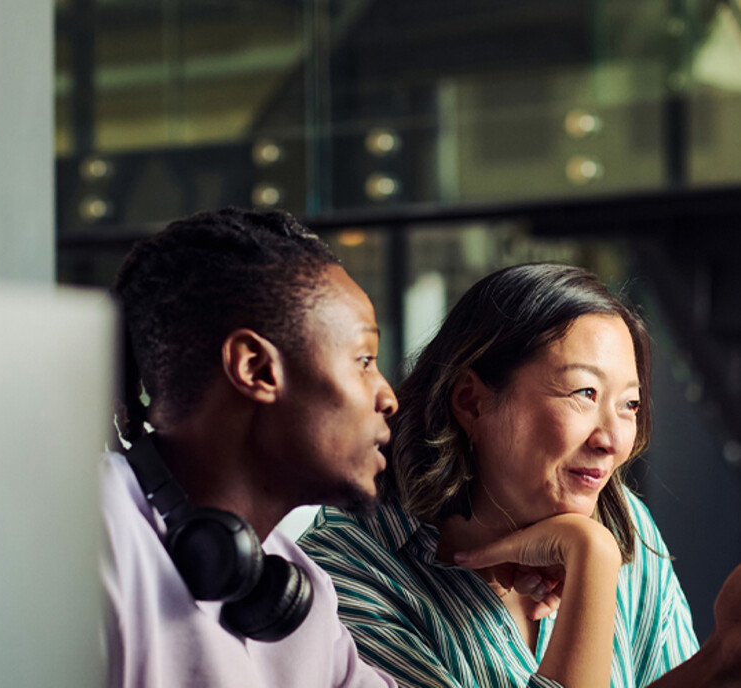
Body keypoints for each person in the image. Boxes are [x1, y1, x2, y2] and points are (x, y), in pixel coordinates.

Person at [298, 263, 741, 688]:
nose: (611, 440)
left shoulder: (623, 522)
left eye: (629, 405)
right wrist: (592, 560)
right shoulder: (339, 578)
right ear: (471, 402)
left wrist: (722, 658)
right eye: (585, 393)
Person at [102, 207, 401, 687]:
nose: (388, 398)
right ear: (257, 370)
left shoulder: (300, 594)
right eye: (364, 360)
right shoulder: (92, 534)